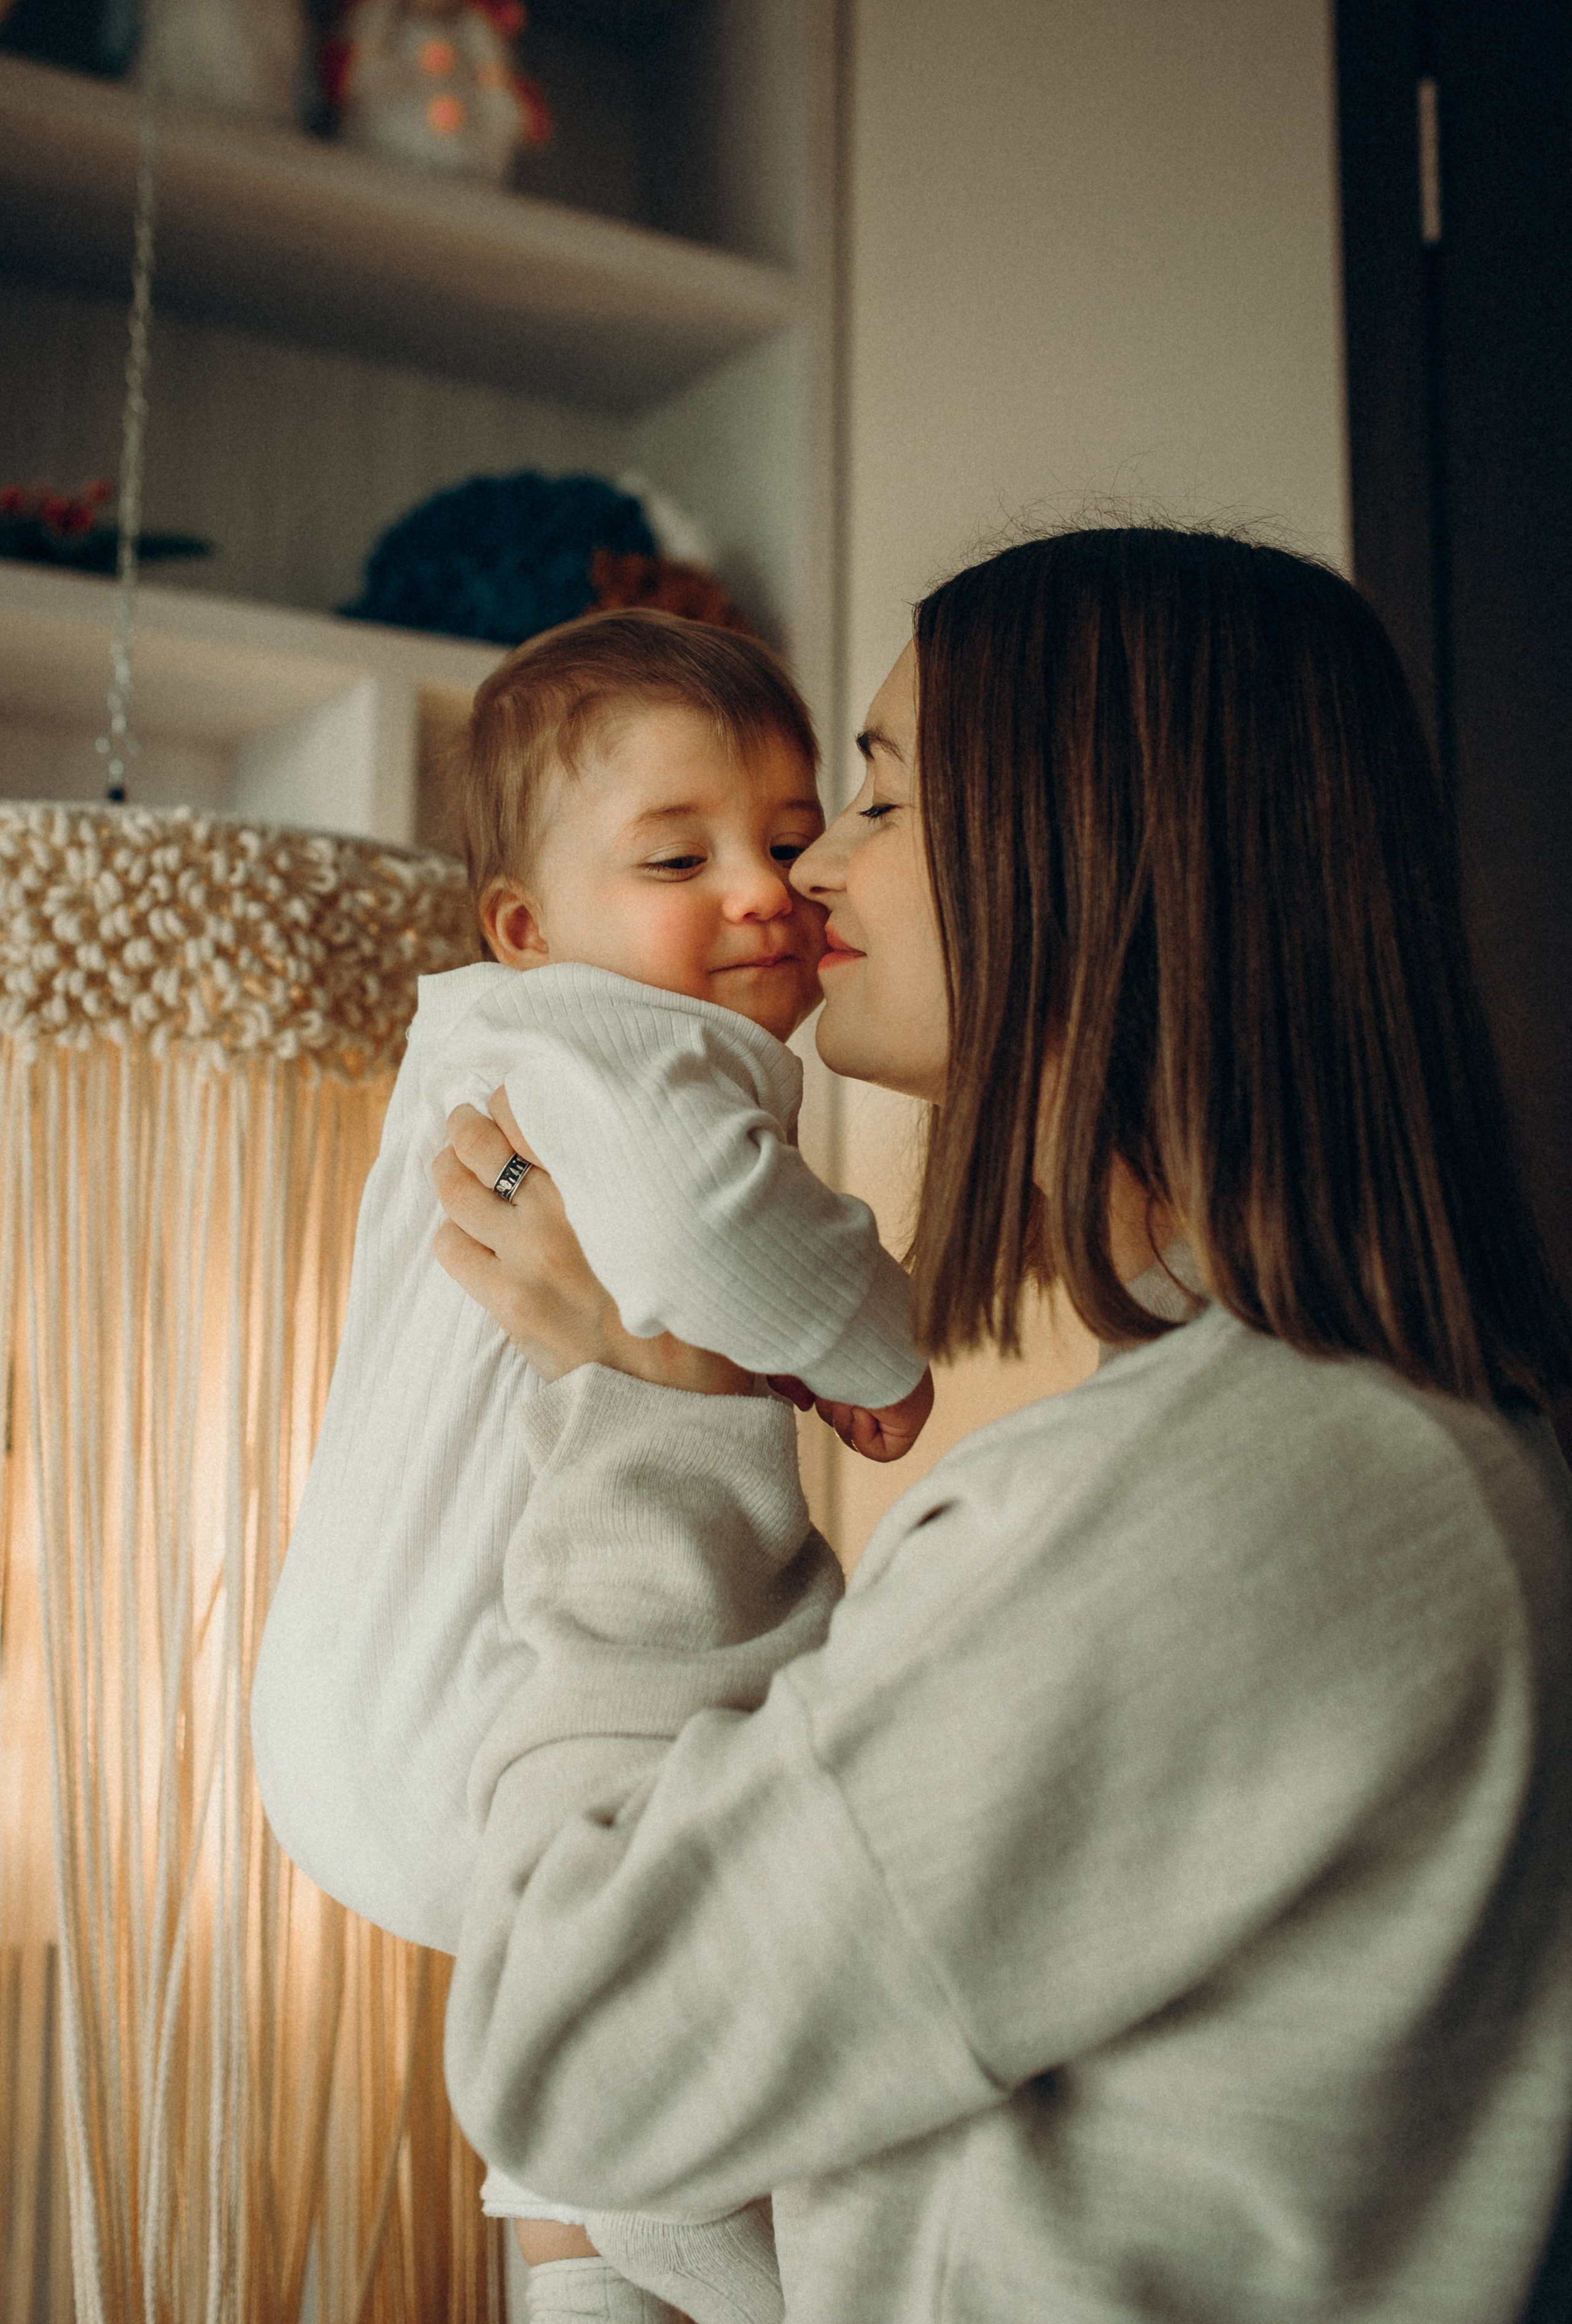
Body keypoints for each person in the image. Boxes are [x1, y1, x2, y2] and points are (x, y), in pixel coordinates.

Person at [429, 526, 1572, 2324]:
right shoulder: (1371, 1461)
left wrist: (655, 1412)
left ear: (1093, 849)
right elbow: (872, 2189)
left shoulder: (1249, 1496)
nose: (813, 865)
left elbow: (573, 2052)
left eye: (877, 798)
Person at [249, 608, 933, 2314]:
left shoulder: (482, 1056)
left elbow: (645, 1262)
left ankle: (588, 2275)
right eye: (677, 854)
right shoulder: (613, 1035)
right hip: (482, 1701)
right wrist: (878, 1343)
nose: (768, 889)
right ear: (527, 924)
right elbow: (715, 1224)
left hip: (360, 1699)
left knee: (585, 2007)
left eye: (791, 838)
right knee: (660, 1971)